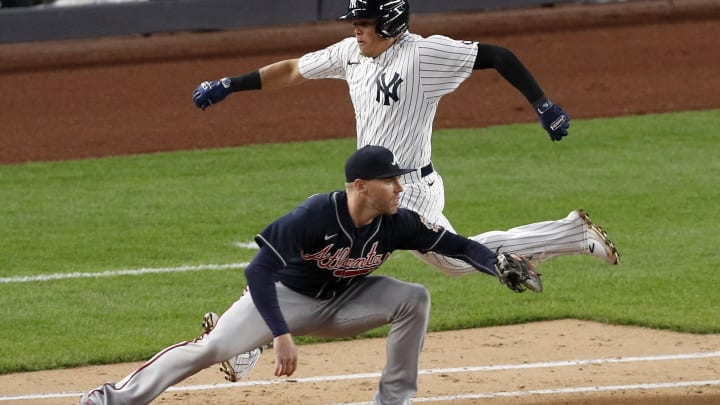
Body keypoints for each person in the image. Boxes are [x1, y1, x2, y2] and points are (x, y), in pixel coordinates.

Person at [78, 145, 541, 405]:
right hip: (284, 299)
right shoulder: (316, 214)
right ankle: (109, 401)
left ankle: (392, 401)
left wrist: (495, 265)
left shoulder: (399, 221)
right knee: (212, 347)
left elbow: (459, 246)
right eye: (391, 181)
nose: (401, 187)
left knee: (414, 296)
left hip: (345, 302)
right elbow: (258, 270)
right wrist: (278, 334)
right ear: (362, 187)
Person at [191, 0, 619, 277]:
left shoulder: (423, 54)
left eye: (364, 24)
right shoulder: (350, 54)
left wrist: (543, 105)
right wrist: (230, 83)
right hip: (369, 187)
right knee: (337, 251)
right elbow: (292, 70)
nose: (356, 31)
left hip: (409, 188)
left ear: (389, 23)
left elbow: (498, 56)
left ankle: (250, 338)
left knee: (343, 255)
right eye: (355, 24)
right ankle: (570, 235)